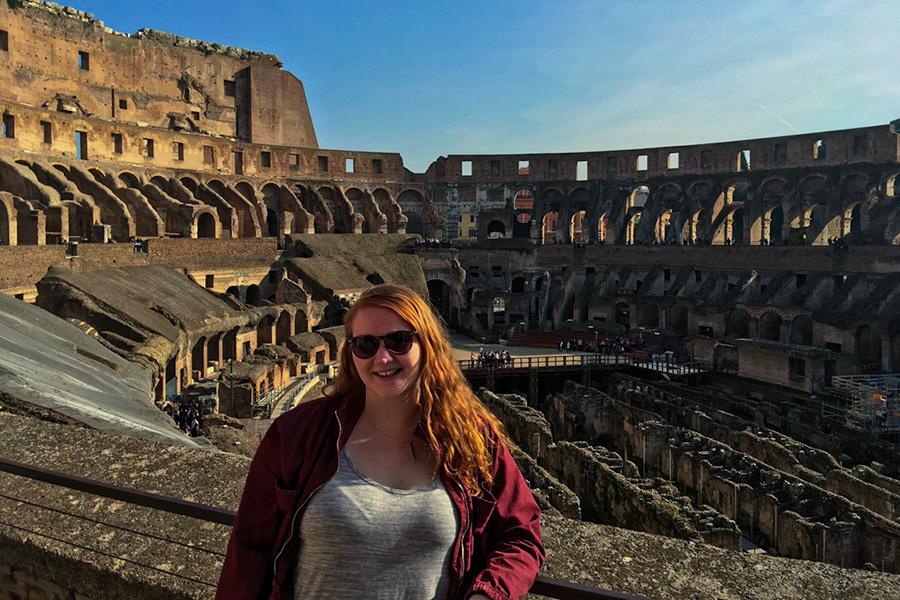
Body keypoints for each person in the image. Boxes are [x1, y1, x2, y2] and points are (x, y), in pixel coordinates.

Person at [217, 284, 543, 599]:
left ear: (426, 345)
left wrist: (488, 594)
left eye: (399, 341)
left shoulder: (471, 437)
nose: (383, 357)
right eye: (366, 345)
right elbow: (247, 554)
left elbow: (521, 535)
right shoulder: (296, 434)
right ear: (351, 353)